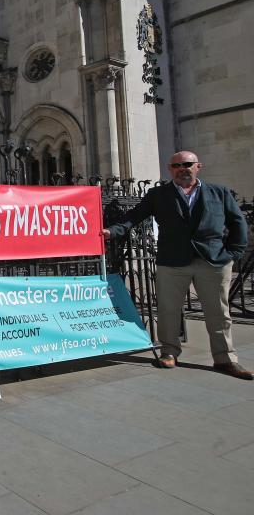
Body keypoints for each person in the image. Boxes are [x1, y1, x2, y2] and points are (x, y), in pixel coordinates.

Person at [103, 151, 250, 379]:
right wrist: (112, 231)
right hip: (172, 262)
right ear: (170, 169)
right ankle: (169, 352)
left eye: (188, 164)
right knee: (168, 310)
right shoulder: (158, 194)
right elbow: (134, 216)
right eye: (177, 165)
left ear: (198, 166)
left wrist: (232, 253)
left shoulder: (218, 192)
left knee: (219, 313)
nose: (183, 168)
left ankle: (225, 359)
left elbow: (237, 222)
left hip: (213, 261)